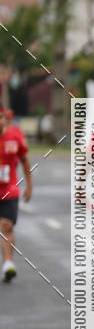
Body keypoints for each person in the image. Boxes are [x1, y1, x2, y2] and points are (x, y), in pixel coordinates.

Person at [0, 105, 32, 282]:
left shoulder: (14, 136)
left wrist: (29, 185)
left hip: (9, 190)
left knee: (6, 226)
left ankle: (7, 263)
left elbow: (25, 159)